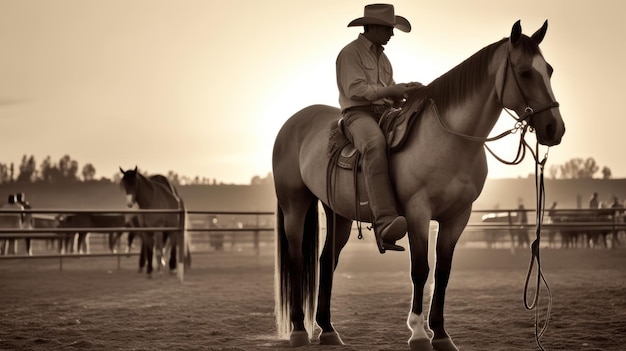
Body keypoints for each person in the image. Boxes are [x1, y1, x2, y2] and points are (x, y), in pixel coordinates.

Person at [336, 4, 423, 252]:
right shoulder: (350, 53)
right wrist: (390, 91)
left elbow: (389, 90)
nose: (392, 35)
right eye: (388, 29)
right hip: (358, 114)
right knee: (374, 145)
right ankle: (384, 220)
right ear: (373, 27)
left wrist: (404, 91)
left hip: (384, 112)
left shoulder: (382, 58)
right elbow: (355, 90)